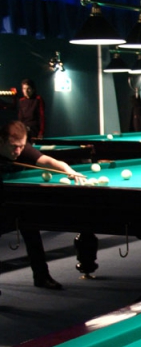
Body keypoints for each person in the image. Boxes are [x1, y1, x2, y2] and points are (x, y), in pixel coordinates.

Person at [0, 120, 84, 289]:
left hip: (16, 198)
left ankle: (42, 277)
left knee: (32, 231)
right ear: (1, 141)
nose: (18, 151)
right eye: (14, 146)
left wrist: (68, 170)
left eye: (21, 146)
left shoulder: (23, 150)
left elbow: (48, 161)